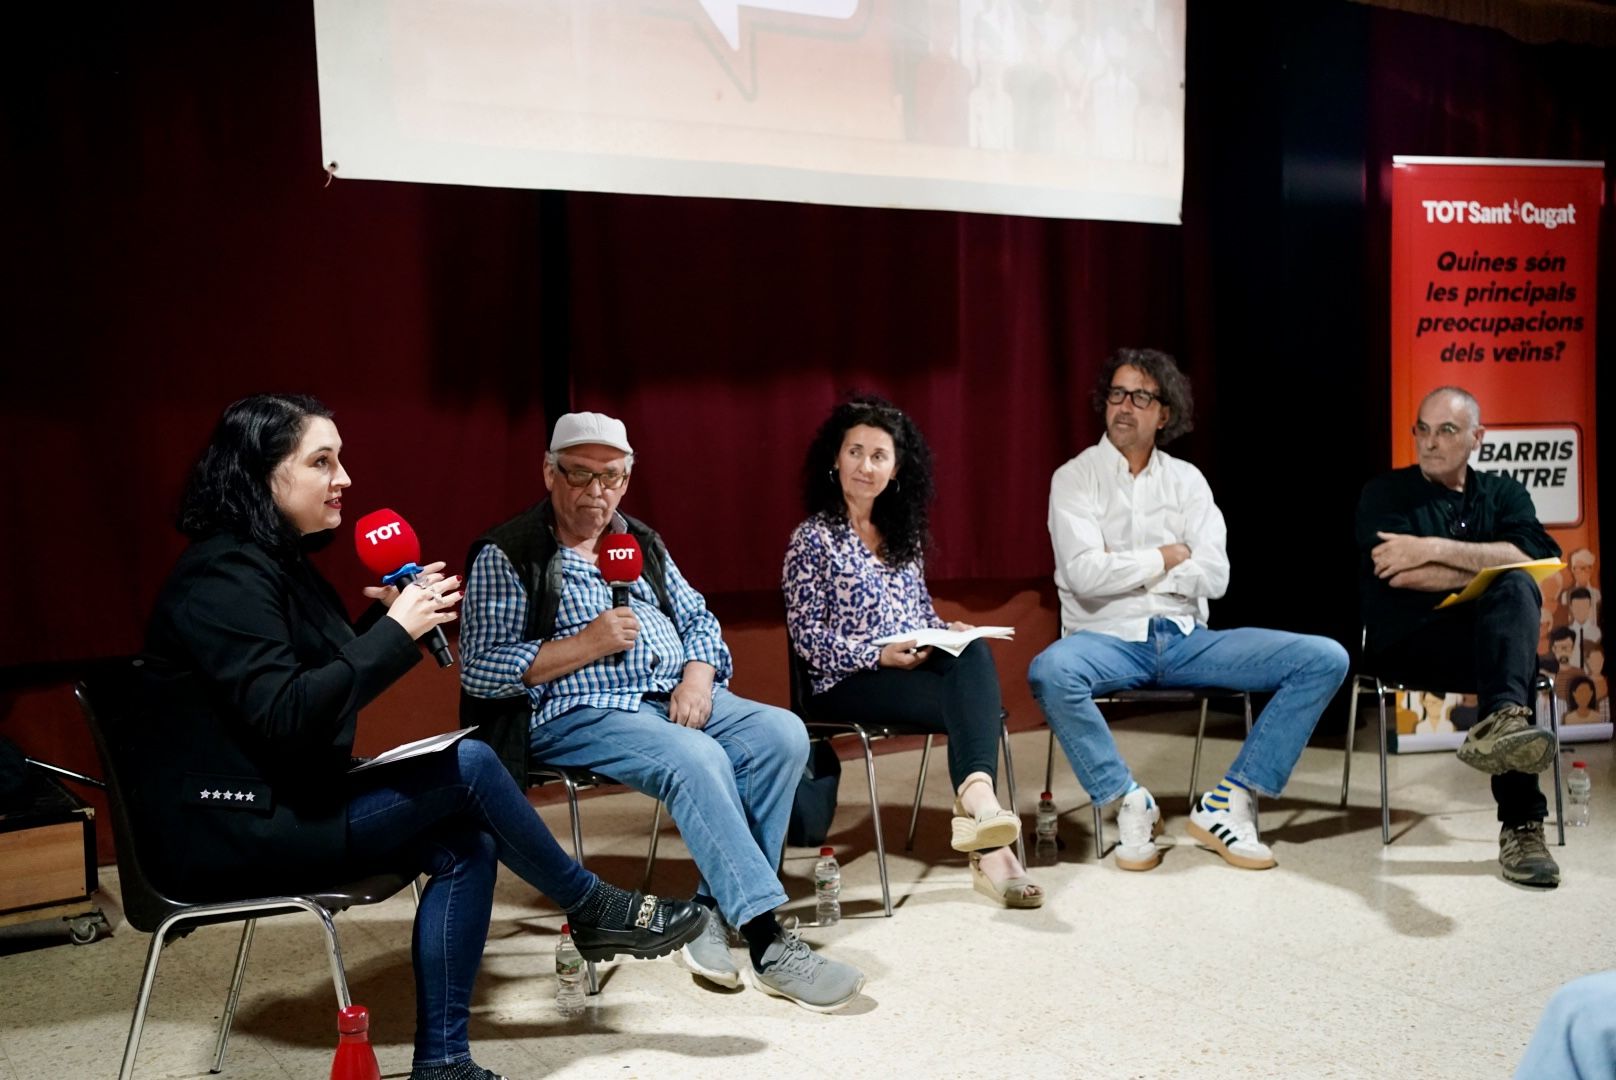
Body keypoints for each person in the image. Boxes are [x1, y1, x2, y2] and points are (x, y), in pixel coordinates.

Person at [133, 395, 705, 1080]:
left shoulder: (277, 563)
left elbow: (310, 687)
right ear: (261, 475)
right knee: (469, 761)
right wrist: (394, 636)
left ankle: (443, 1064)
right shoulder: (221, 574)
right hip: (233, 826)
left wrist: (383, 632)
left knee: (467, 839)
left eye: (340, 459)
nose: (344, 477)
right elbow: (287, 711)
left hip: (286, 796)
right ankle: (592, 906)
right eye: (322, 461)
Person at [459, 411, 865, 1013]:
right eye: (580, 476)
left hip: (669, 692)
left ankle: (707, 914)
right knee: (696, 757)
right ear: (549, 472)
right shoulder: (508, 551)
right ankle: (768, 942)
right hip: (578, 709)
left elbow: (699, 619)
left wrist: (699, 676)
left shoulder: (640, 541)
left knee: (780, 733)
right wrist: (586, 644)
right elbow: (480, 669)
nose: (597, 492)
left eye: (613, 478)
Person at [1027, 348, 1348, 872]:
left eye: (1141, 396)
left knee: (1324, 658)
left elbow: (1215, 576)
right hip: (1105, 640)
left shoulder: (1188, 481)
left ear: (1165, 413)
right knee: (1050, 670)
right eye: (1116, 394)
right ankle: (1128, 799)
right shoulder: (1075, 478)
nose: (1125, 406)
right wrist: (1167, 556)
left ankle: (1231, 800)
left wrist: (1125, 565)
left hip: (1186, 639)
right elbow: (1083, 574)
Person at [782, 395, 1041, 908]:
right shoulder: (811, 540)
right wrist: (877, 656)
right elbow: (807, 639)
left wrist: (947, 629)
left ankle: (982, 811)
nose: (866, 465)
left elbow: (917, 614)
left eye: (879, 456)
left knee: (971, 653)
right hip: (844, 684)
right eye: (855, 452)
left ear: (896, 469)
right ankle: (991, 840)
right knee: (972, 705)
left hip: (907, 668)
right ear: (835, 460)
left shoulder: (904, 538)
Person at [1356, 385, 1563, 887]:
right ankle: (1512, 754)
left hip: (1485, 653)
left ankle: (1521, 825)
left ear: (1477, 437)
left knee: (1515, 594)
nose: (1429, 442)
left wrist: (1430, 547)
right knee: (1510, 593)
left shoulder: (1505, 494)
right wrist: (1494, 563)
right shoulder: (1385, 493)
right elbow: (1398, 575)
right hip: (1410, 645)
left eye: (1446, 430)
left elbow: (1538, 560)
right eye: (1421, 429)